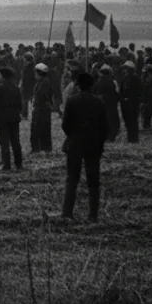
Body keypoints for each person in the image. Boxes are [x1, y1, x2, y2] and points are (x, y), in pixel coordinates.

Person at [61, 73, 109, 221]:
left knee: (72, 179)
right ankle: (93, 215)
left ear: (78, 85)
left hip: (75, 144)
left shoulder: (71, 101)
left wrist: (73, 136)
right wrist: (99, 140)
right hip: (93, 144)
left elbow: (65, 125)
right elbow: (105, 126)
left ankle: (67, 213)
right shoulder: (99, 102)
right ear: (92, 85)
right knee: (93, 181)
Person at [0, 66, 24, 171]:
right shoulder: (16, 88)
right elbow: (20, 105)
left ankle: (6, 164)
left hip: (2, 117)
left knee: (4, 141)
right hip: (14, 117)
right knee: (15, 141)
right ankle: (19, 164)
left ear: (2, 76)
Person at [30, 63, 58, 152]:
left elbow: (40, 96)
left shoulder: (44, 83)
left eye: (35, 72)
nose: (34, 74)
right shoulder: (43, 81)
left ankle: (39, 148)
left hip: (41, 109)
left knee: (38, 129)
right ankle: (44, 148)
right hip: (42, 109)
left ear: (40, 73)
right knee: (43, 129)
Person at [93, 65, 120, 143]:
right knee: (112, 120)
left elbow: (93, 91)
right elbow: (117, 93)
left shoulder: (99, 81)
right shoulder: (113, 81)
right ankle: (111, 137)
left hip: (101, 103)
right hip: (111, 103)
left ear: (101, 73)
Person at [118, 61, 143, 143]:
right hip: (125, 104)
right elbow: (121, 90)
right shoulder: (125, 78)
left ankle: (134, 139)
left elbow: (139, 91)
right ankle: (130, 138)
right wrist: (122, 98)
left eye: (127, 68)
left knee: (133, 121)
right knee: (127, 120)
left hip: (133, 103)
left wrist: (131, 98)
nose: (126, 70)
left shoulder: (136, 78)